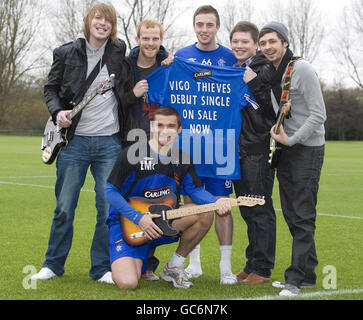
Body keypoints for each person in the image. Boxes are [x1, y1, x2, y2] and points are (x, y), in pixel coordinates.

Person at [31, 3, 129, 284]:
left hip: (109, 142)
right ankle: (52, 264)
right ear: (88, 21)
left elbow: (141, 59)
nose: (103, 24)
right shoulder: (65, 52)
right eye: (98, 19)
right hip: (73, 143)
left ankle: (101, 268)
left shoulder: (118, 50)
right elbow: (50, 89)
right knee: (64, 207)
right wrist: (57, 111)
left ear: (112, 27)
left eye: (108, 21)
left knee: (107, 208)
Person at [105, 106, 233, 290]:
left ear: (179, 129)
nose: (165, 131)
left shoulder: (182, 158)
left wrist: (216, 202)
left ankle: (173, 267)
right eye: (160, 125)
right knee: (128, 283)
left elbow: (195, 191)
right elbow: (110, 191)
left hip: (162, 223)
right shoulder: (132, 155)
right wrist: (138, 218)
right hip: (129, 224)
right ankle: (137, 259)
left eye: (171, 126)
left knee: (205, 213)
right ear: (152, 127)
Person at [258, 22, 326, 297]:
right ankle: (307, 273)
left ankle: (295, 279)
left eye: (273, 41)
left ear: (285, 43)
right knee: (291, 212)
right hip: (285, 149)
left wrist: (293, 139)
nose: (268, 47)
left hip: (306, 149)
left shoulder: (302, 69)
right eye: (263, 43)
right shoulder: (273, 72)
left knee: (302, 215)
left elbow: (318, 114)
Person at [172, 4, 238, 285]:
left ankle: (226, 268)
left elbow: (241, 92)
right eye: (200, 24)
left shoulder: (231, 59)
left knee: (223, 207)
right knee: (192, 206)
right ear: (194, 26)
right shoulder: (181, 57)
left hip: (221, 149)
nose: (204, 29)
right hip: (190, 149)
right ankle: (194, 265)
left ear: (217, 27)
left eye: (209, 25)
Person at [229, 21, 277, 284]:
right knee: (247, 210)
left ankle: (263, 268)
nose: (239, 46)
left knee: (259, 208)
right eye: (235, 41)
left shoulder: (265, 68)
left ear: (255, 44)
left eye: (244, 41)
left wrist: (256, 82)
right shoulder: (235, 69)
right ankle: (252, 263)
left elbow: (274, 110)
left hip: (257, 148)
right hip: (238, 150)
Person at [123, 19, 169, 281]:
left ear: (160, 40)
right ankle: (127, 258)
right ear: (138, 38)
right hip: (130, 143)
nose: (150, 43)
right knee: (131, 203)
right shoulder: (127, 66)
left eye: (155, 38)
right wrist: (132, 93)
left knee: (156, 203)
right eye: (146, 38)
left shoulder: (168, 67)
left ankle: (149, 264)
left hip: (160, 147)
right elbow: (117, 100)